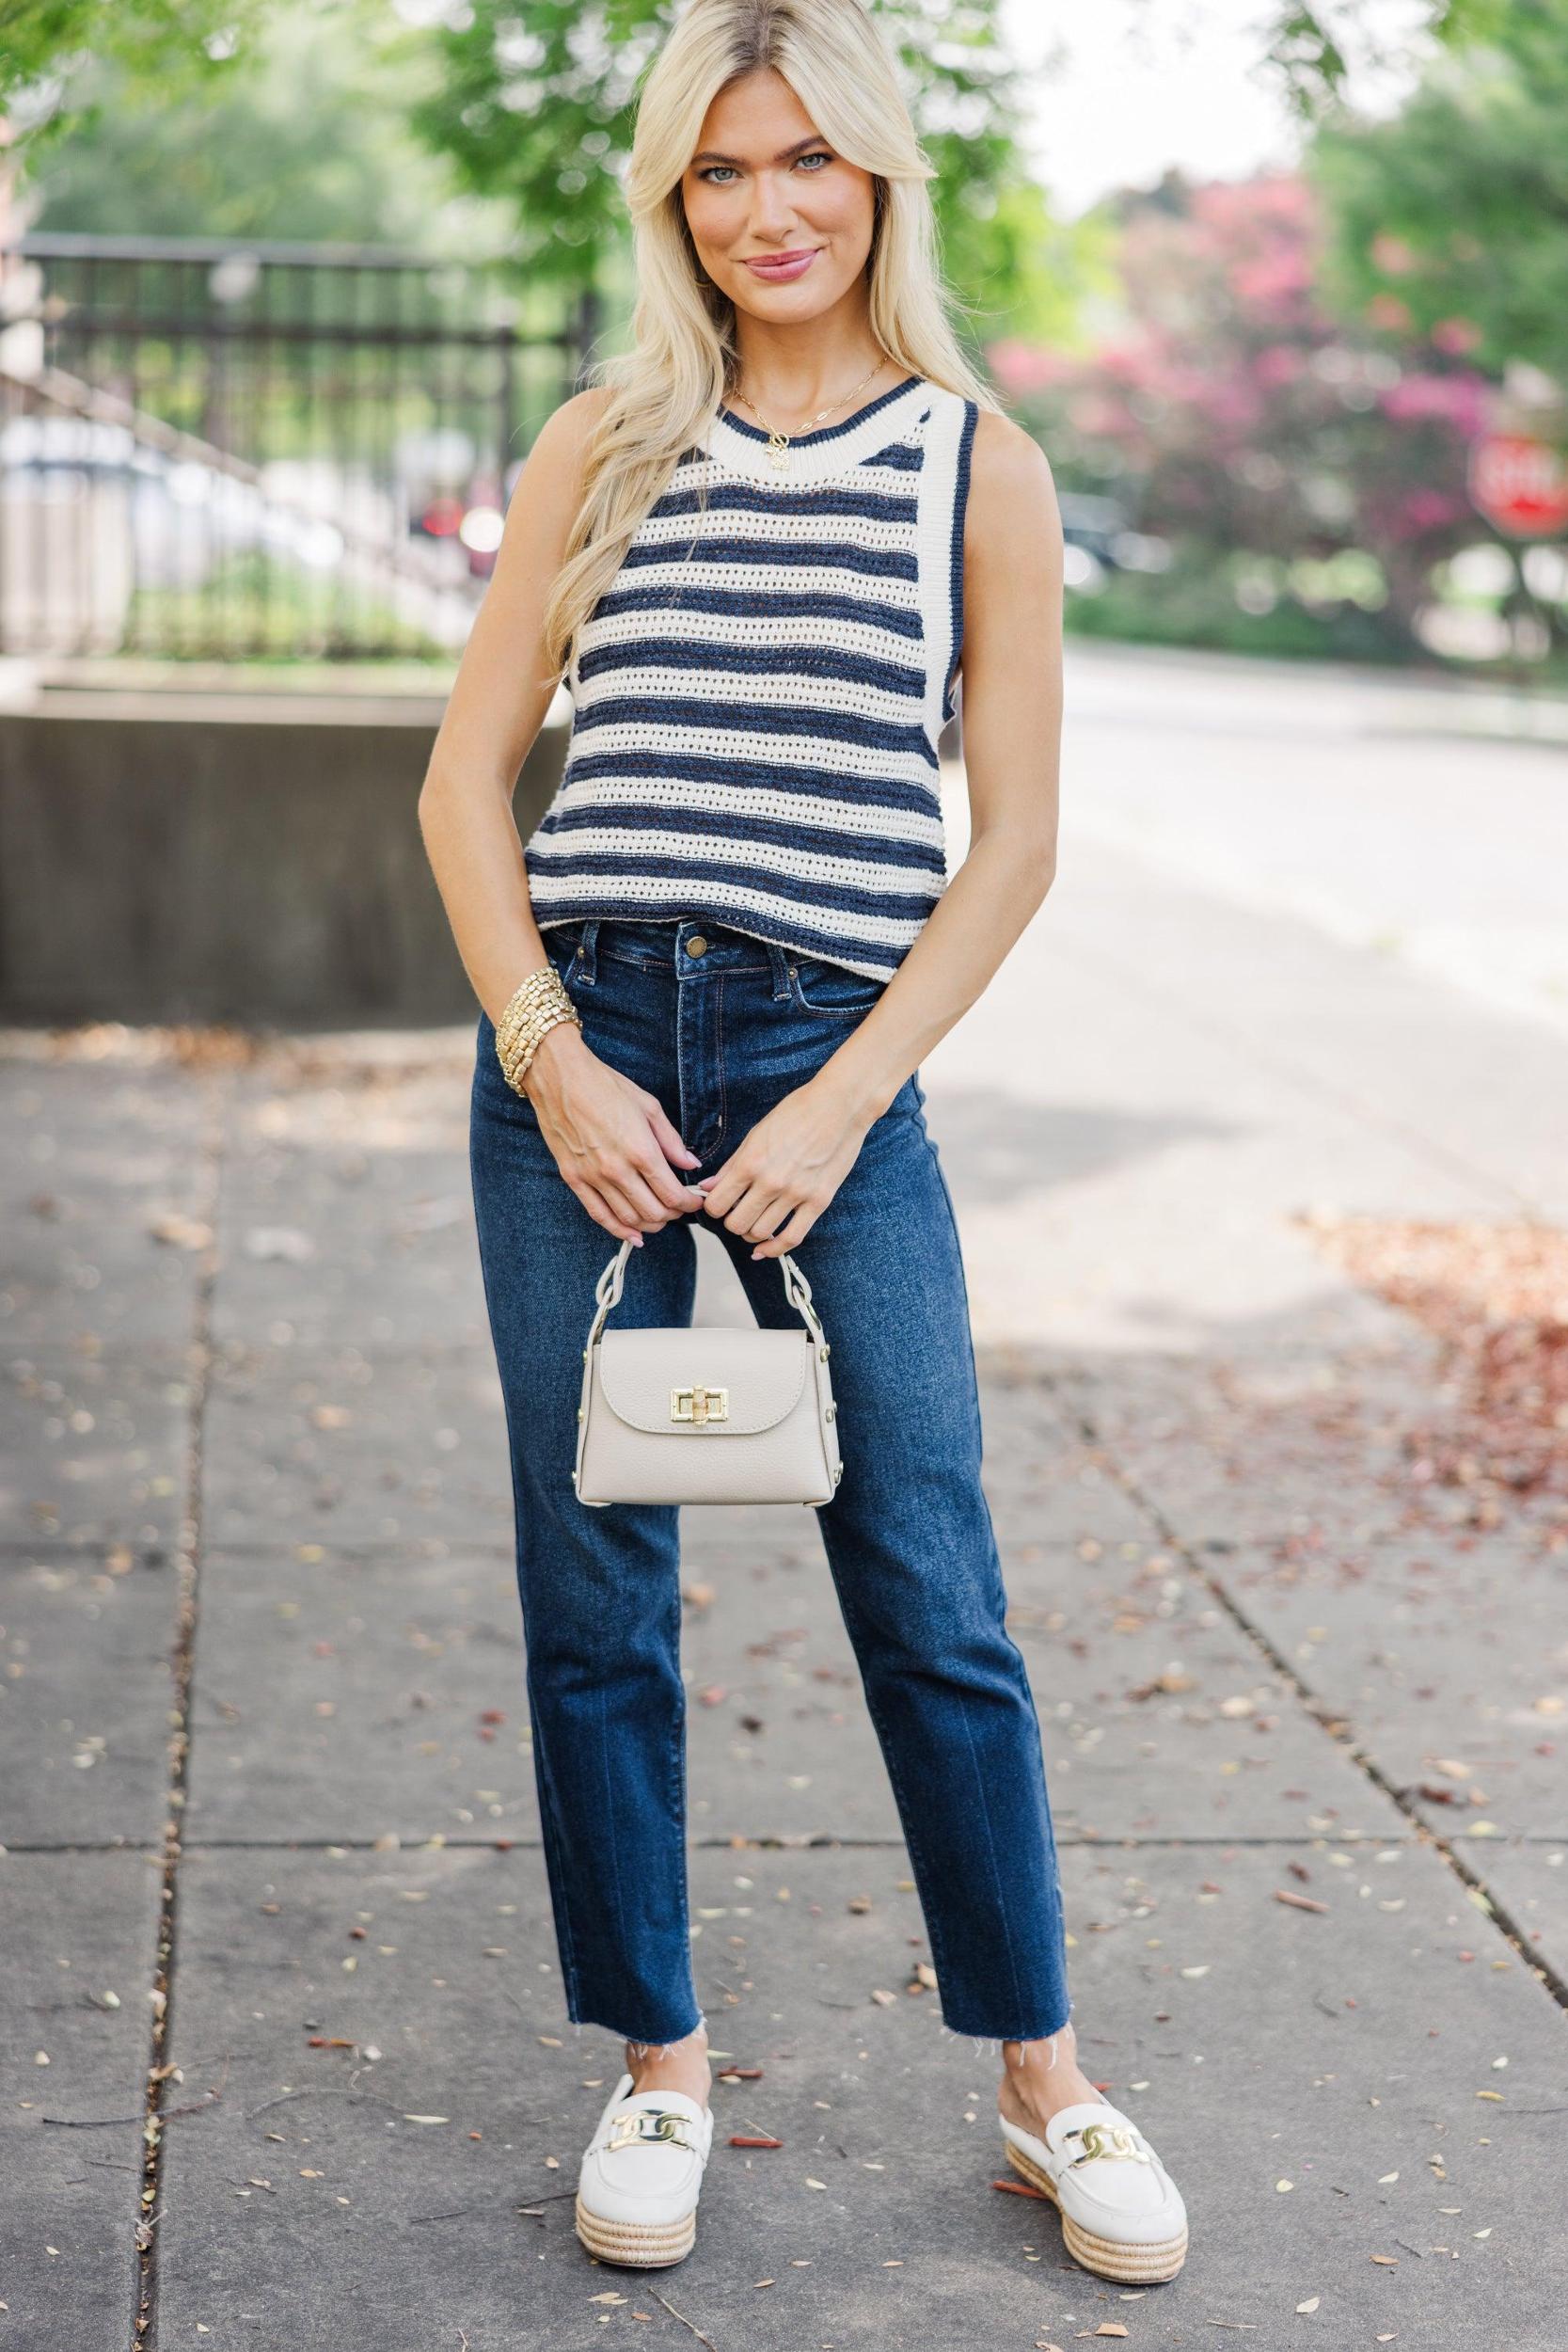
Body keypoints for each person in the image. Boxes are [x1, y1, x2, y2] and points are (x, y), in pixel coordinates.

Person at [418, 0, 1187, 2290]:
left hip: (834, 1055)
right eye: (723, 171)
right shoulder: (603, 442)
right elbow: (465, 784)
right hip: (586, 1056)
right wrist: (553, 1057)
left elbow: (1016, 839)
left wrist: (851, 1094)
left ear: (877, 178)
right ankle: (658, 2061)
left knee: (930, 1581)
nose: (768, 208)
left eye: (807, 164)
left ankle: (1046, 2079)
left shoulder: (979, 463)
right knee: (598, 1586)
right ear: (678, 196)